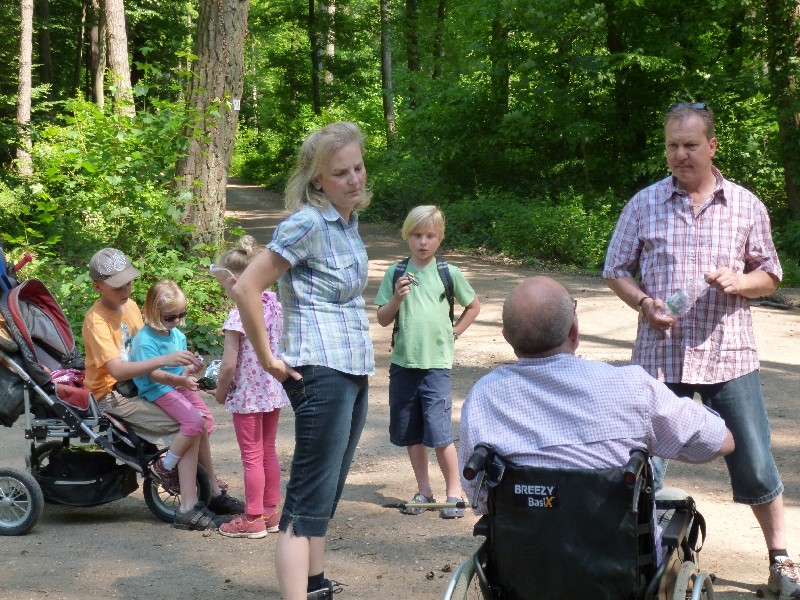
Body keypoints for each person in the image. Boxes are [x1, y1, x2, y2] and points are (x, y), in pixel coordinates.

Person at [602, 101, 798, 598]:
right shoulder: (643, 204)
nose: (680, 155)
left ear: (712, 146)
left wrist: (742, 281)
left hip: (729, 355)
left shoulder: (746, 205)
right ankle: (631, 563)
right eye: (672, 145)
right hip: (660, 355)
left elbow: (771, 273)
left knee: (754, 459)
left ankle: (780, 562)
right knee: (640, 462)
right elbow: (615, 271)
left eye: (690, 145)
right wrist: (644, 303)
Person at [458, 276, 734, 562]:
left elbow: (478, 497)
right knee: (673, 499)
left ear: (507, 338)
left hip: (526, 564)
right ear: (574, 331)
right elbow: (720, 442)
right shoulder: (630, 387)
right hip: (619, 566)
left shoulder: (484, 396)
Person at [230, 121, 375, 600]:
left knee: (326, 490)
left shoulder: (347, 224)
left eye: (358, 167)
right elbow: (247, 286)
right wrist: (267, 357)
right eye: (340, 173)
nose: (354, 179)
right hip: (319, 370)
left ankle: (315, 585)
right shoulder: (308, 224)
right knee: (307, 496)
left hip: (351, 366)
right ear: (317, 180)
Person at [375, 205, 480, 518]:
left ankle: (454, 493)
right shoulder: (396, 273)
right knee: (412, 433)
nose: (423, 242)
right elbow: (382, 318)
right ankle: (424, 491)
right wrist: (397, 297)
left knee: (440, 433)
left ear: (440, 238)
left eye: (430, 236)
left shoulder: (449, 272)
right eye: (417, 235)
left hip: (436, 366)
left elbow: (473, 306)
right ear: (407, 236)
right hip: (403, 364)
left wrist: (454, 333)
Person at [128, 278, 244, 529]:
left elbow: (179, 369)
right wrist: (180, 379)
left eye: (182, 314)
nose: (177, 321)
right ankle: (166, 465)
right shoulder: (145, 341)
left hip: (177, 384)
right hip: (158, 389)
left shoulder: (177, 335)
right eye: (170, 317)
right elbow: (154, 374)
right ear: (153, 313)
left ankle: (209, 487)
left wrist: (190, 370)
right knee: (193, 422)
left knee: (206, 420)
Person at [211, 235, 290, 539]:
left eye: (224, 286)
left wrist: (220, 393)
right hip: (272, 390)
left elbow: (228, 366)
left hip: (247, 395)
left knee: (252, 456)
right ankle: (271, 512)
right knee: (268, 450)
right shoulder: (273, 305)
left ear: (234, 281)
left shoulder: (238, 314)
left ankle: (253, 517)